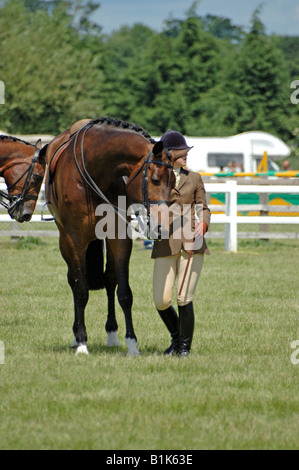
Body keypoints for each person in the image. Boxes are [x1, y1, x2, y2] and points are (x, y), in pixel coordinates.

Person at [152, 130, 211, 357]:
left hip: (191, 242)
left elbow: (203, 207)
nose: (186, 156)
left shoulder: (194, 178)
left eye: (186, 152)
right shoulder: (157, 177)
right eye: (181, 153)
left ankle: (184, 348)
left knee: (184, 296)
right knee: (161, 300)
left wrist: (203, 223)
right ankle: (177, 339)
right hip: (166, 242)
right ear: (168, 155)